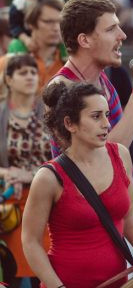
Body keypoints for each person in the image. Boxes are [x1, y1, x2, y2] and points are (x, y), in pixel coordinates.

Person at [48, 0, 133, 262]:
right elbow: (108, 152)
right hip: (94, 227)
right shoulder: (60, 90)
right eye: (111, 29)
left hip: (130, 214)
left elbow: (120, 151)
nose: (122, 35)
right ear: (84, 40)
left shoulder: (102, 80)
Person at [22, 82, 133, 288]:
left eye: (106, 114)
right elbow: (31, 241)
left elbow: (130, 212)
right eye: (96, 116)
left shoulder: (121, 154)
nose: (106, 123)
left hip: (118, 282)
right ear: (70, 124)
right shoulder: (49, 177)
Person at [0, 54, 52, 286]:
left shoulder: (50, 114)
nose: (30, 77)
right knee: (17, 272)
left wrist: (30, 174)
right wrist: (6, 174)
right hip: (13, 206)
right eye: (22, 73)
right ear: (9, 80)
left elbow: (65, 156)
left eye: (32, 72)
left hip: (49, 201)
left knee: (48, 268)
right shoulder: (1, 115)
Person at [6, 0, 67, 91]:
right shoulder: (12, 56)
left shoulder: (71, 57)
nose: (56, 28)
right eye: (48, 22)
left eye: (59, 22)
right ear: (31, 23)